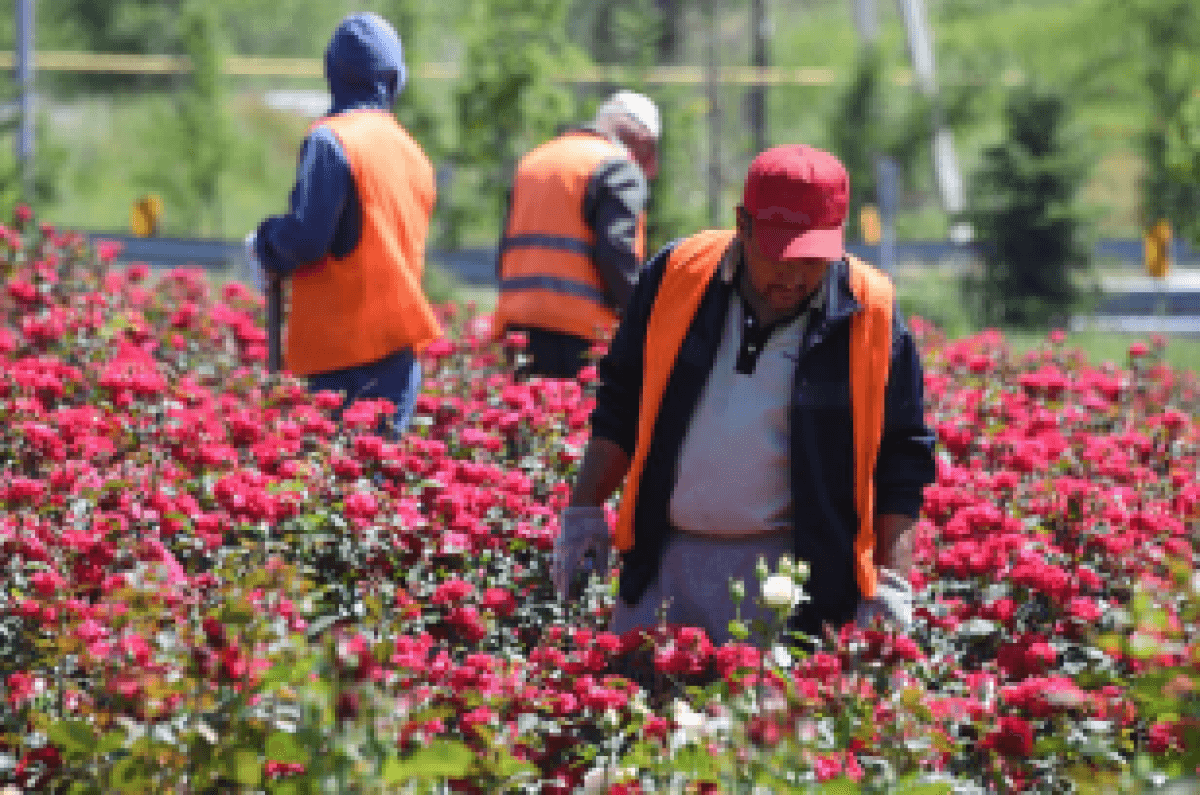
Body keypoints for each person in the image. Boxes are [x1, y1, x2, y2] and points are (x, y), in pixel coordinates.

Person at [552, 144, 937, 646]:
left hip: (797, 580)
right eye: (782, 256)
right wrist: (584, 512)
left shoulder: (870, 312)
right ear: (744, 225)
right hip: (666, 560)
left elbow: (900, 458)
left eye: (814, 260)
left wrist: (892, 582)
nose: (796, 278)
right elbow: (621, 402)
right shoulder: (677, 277)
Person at [250, 12, 440, 437]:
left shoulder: (331, 140)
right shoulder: (413, 152)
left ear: (330, 71)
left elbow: (308, 239)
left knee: (332, 487)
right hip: (397, 354)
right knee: (382, 490)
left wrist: (266, 243)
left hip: (339, 361)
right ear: (395, 79)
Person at [492, 91, 660, 379]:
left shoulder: (533, 161)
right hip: (581, 337)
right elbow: (616, 252)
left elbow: (506, 250)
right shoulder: (617, 166)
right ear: (642, 139)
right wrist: (643, 315)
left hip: (519, 330)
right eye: (652, 151)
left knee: (531, 420)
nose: (652, 168)